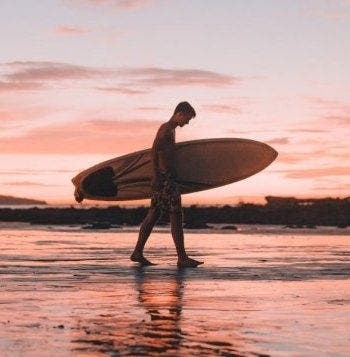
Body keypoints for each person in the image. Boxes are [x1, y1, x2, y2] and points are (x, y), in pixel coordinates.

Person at [131, 102, 204, 268]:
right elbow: (154, 151)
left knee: (154, 214)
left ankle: (137, 252)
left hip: (166, 178)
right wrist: (156, 176)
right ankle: (182, 257)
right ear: (179, 113)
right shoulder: (166, 129)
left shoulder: (169, 129)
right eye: (187, 118)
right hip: (166, 179)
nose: (187, 122)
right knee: (176, 216)